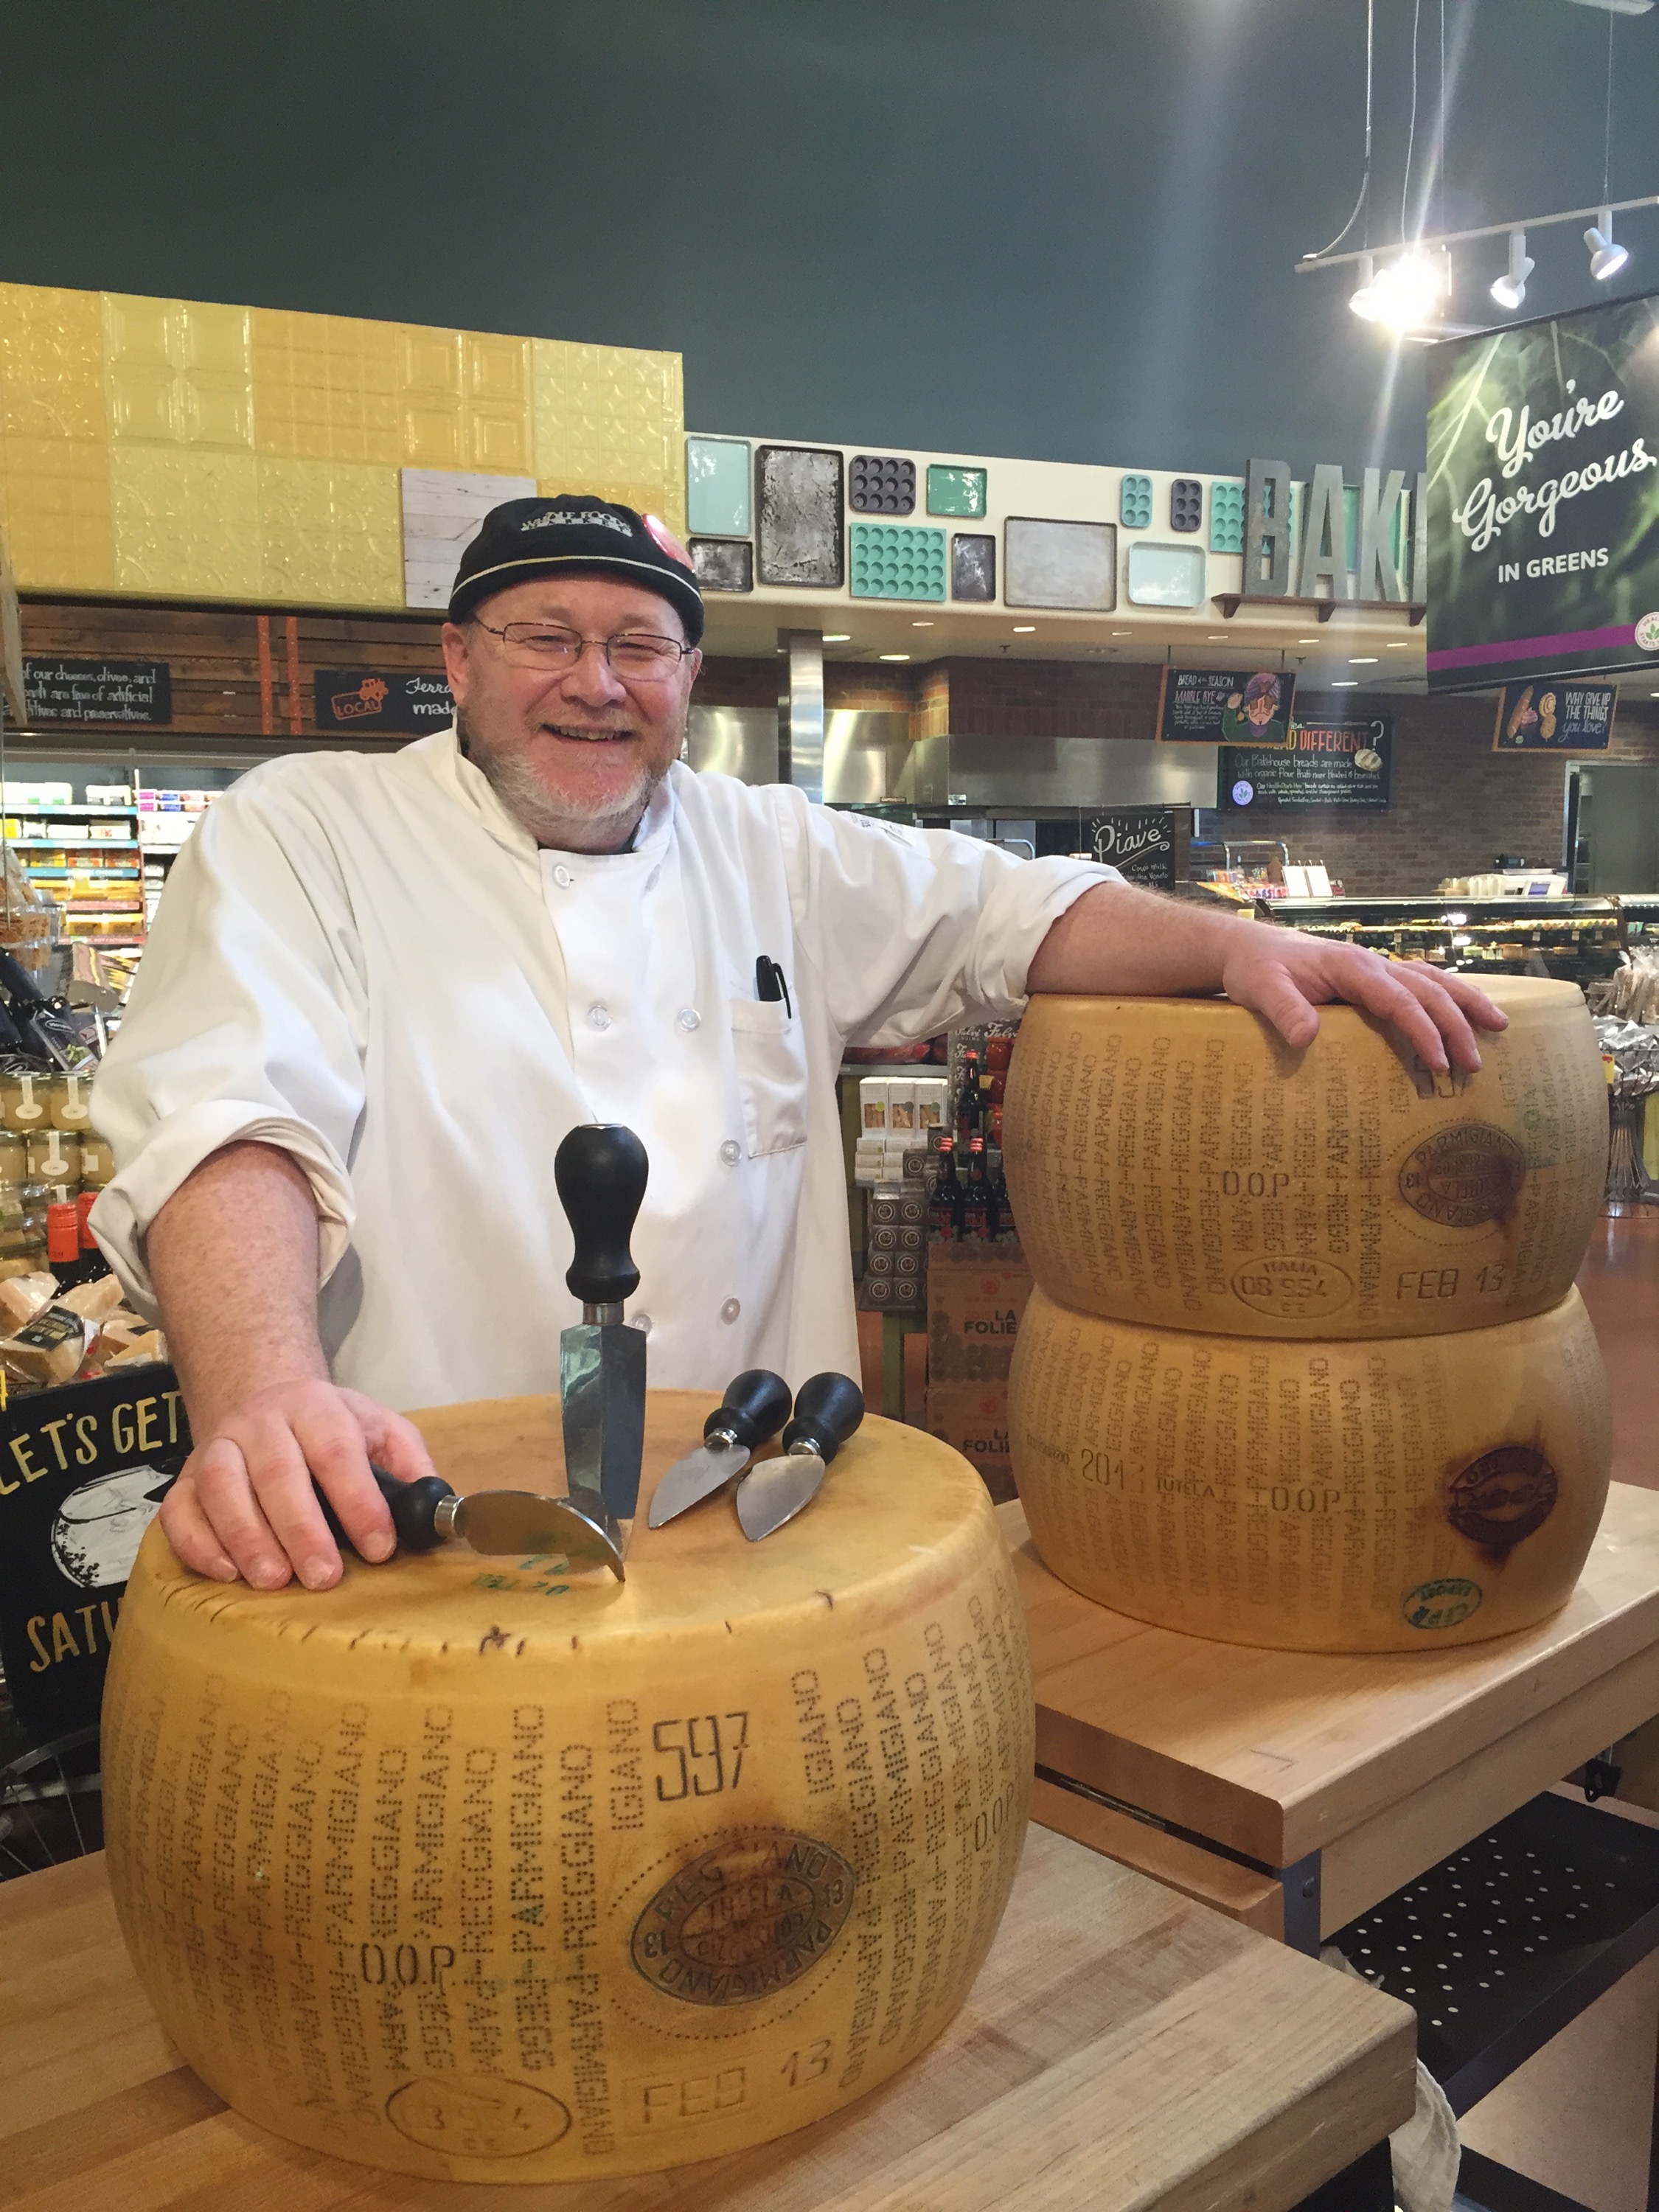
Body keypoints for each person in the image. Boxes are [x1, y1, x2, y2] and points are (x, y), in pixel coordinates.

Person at [90, 495, 1505, 1594]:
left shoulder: (769, 846)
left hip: (752, 1506)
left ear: (687, 674)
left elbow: (1015, 915)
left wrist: (1236, 943)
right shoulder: (306, 827)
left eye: (638, 647)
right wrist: (265, 1397)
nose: (596, 682)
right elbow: (228, 1116)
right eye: (546, 636)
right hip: (423, 1519)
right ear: (458, 658)